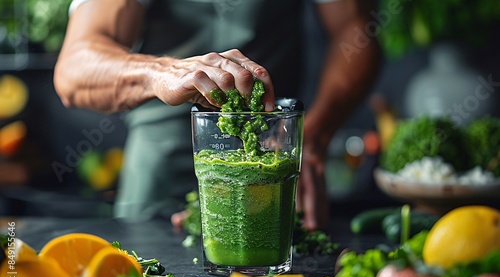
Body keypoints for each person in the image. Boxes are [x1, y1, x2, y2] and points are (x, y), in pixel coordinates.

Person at [54, 0, 381, 230]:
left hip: (270, 172)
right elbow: (74, 69)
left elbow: (356, 31)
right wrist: (163, 73)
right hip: (159, 179)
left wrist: (311, 139)